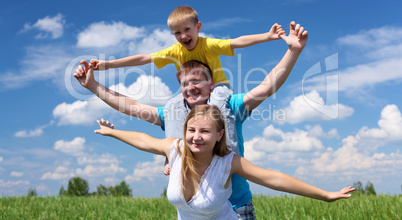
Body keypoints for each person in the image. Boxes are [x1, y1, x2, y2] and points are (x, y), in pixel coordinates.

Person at [74, 21, 306, 219]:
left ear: (211, 84)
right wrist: (92, 86)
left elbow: (266, 86)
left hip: (235, 206)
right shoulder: (171, 113)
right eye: (185, 83)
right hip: (193, 211)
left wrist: (292, 51)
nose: (191, 87)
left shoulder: (231, 106)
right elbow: (131, 106)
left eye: (198, 81)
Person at [94, 105, 355, 220]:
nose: (196, 137)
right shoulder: (175, 148)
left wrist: (325, 195)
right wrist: (112, 132)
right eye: (191, 130)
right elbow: (142, 139)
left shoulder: (228, 162)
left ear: (219, 135)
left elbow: (273, 178)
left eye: (205, 132)